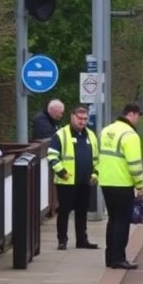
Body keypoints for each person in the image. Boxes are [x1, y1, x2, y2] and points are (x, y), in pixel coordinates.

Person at [98, 103, 143, 270]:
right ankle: (119, 258)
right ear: (131, 114)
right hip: (122, 183)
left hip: (106, 182)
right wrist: (140, 185)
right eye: (138, 115)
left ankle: (110, 257)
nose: (138, 119)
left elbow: (99, 156)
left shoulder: (106, 131)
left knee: (112, 220)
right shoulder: (130, 135)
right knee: (122, 222)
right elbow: (134, 164)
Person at [46, 105, 100, 250]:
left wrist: (95, 174)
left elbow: (96, 159)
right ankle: (62, 240)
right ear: (72, 117)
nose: (82, 122)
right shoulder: (61, 134)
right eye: (79, 118)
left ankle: (82, 240)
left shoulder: (91, 135)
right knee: (64, 211)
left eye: (85, 119)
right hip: (66, 181)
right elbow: (51, 155)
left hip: (85, 181)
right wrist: (61, 171)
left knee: (82, 212)